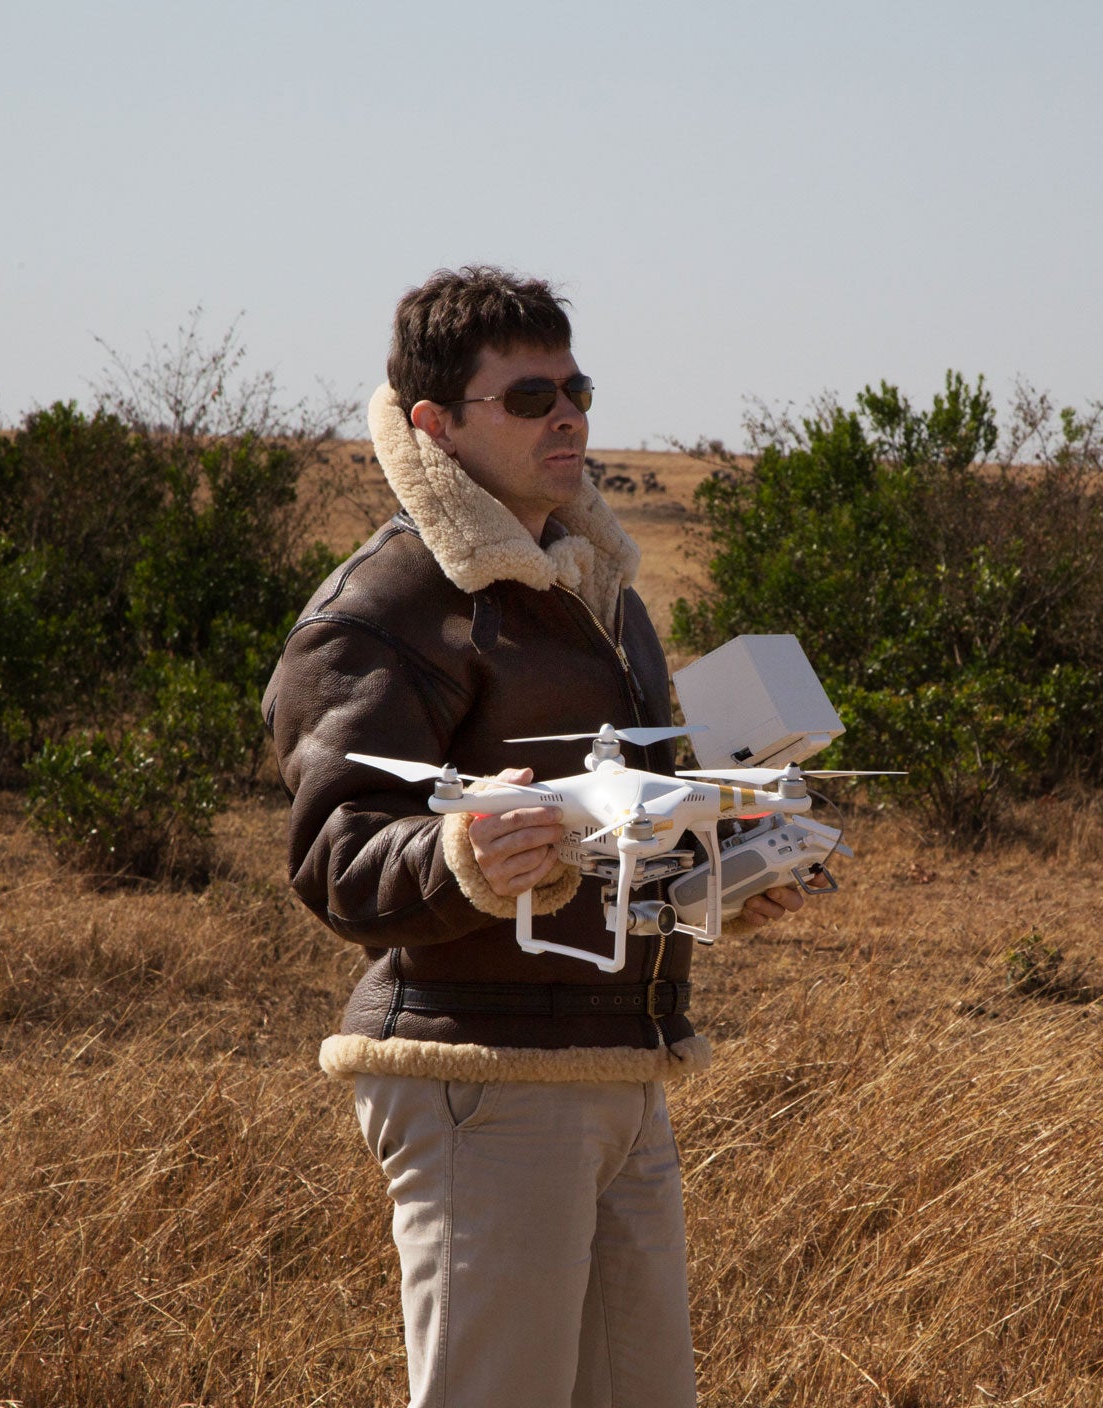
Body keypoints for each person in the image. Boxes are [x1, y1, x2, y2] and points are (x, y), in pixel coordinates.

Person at [263, 266, 801, 1407]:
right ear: (435, 426)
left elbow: (619, 819)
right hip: (479, 1075)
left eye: (576, 386)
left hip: (621, 1059)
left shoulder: (597, 588)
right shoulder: (384, 606)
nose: (568, 413)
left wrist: (727, 866)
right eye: (527, 396)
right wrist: (458, 857)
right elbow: (335, 854)